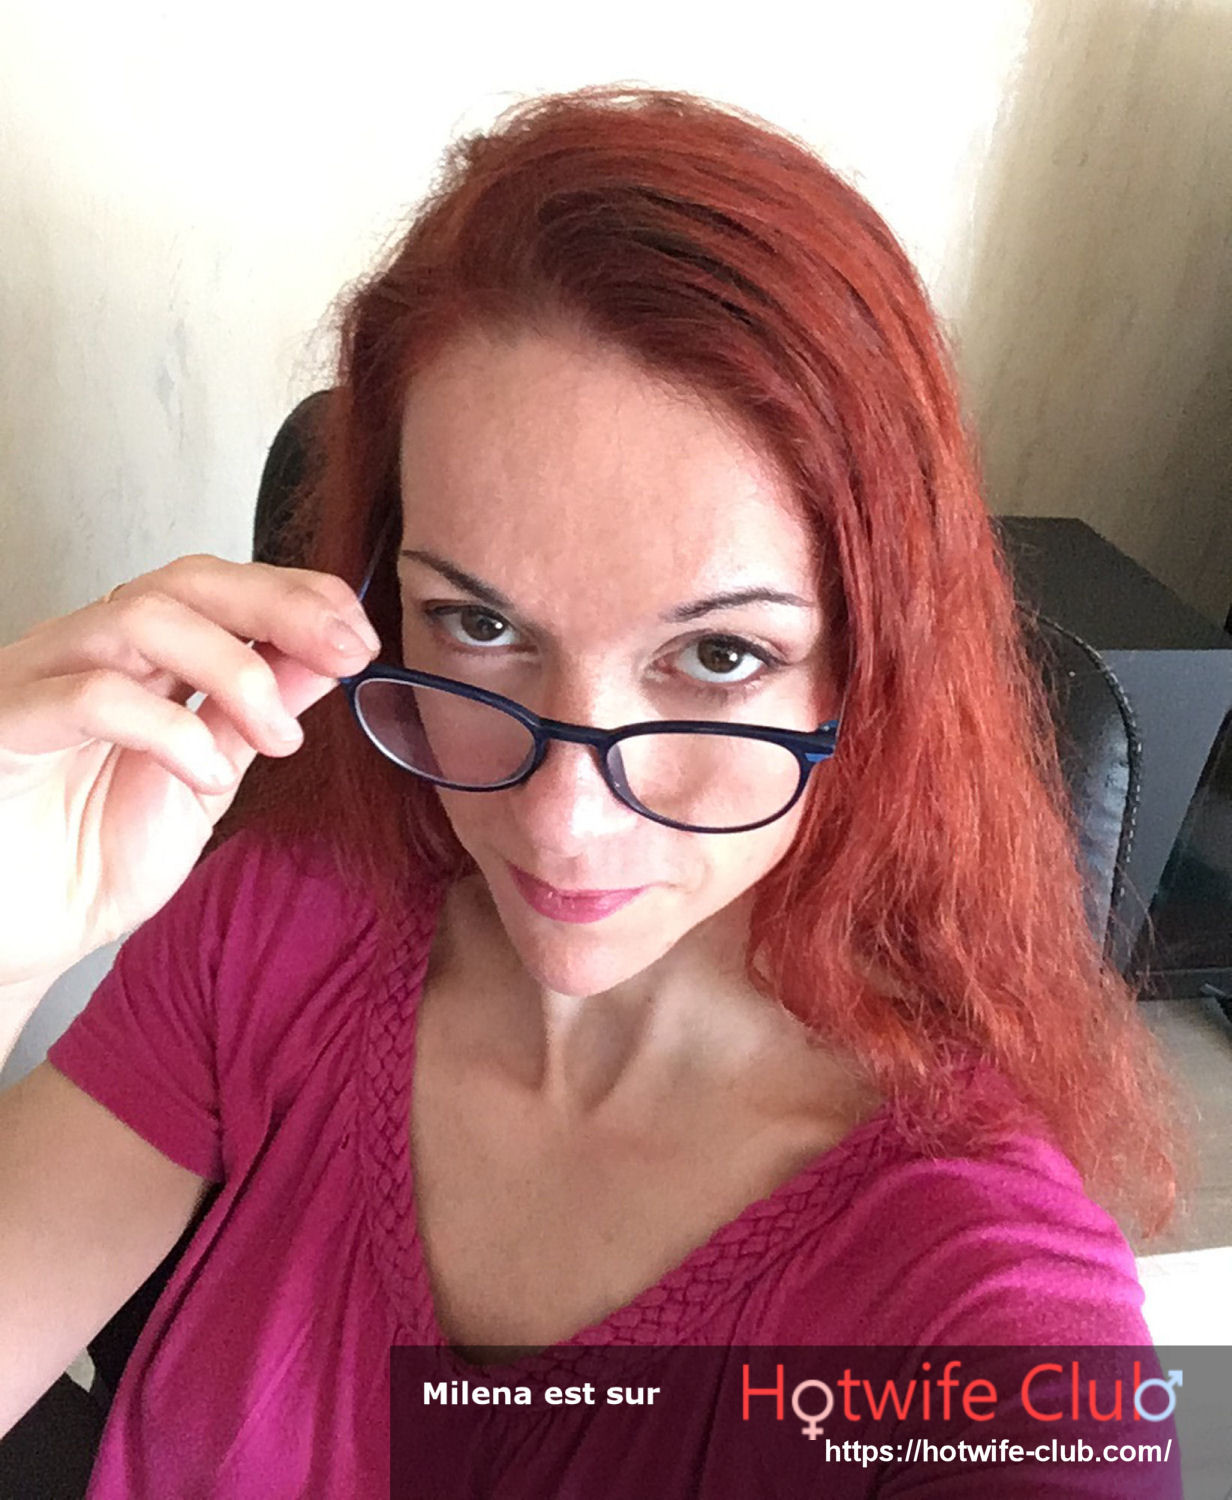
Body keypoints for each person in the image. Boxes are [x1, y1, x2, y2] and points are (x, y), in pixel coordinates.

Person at [0, 84, 1193, 1497]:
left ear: (874, 666)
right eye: (479, 625)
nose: (563, 820)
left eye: (720, 655)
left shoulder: (966, 1294)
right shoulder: (279, 926)